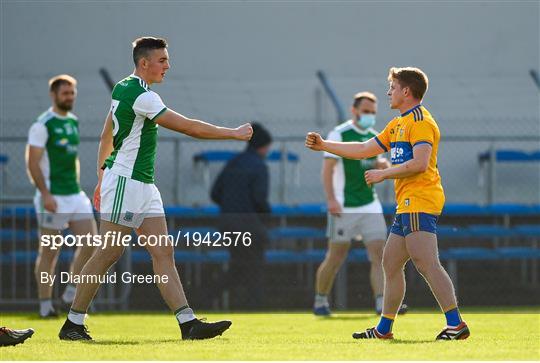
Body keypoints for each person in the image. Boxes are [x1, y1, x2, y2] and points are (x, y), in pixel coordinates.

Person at [58, 37, 253, 341]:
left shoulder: (123, 87)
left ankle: (188, 324)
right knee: (109, 251)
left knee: (163, 250)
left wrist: (100, 177)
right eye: (162, 60)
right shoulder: (142, 96)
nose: (168, 65)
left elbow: (105, 134)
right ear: (144, 62)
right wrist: (233, 133)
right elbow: (189, 127)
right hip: (126, 181)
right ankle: (72, 324)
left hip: (141, 184)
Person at [305, 67, 469, 340]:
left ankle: (456, 324)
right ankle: (383, 330)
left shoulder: (421, 121)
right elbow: (363, 149)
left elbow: (419, 163)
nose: (388, 92)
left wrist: (383, 173)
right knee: (391, 262)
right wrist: (325, 146)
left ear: (406, 91)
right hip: (406, 202)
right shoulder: (398, 123)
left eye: (392, 87)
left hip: (420, 199)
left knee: (426, 262)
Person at [313, 92, 407, 316]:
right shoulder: (339, 133)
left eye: (373, 113)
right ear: (354, 111)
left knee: (379, 254)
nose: (370, 116)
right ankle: (320, 300)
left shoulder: (375, 136)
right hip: (344, 206)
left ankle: (381, 303)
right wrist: (331, 199)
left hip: (369, 206)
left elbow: (374, 162)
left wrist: (382, 164)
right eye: (366, 112)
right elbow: (327, 170)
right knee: (335, 256)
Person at [26, 75, 97, 318]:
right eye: (65, 93)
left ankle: (71, 291)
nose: (70, 97)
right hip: (52, 197)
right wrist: (45, 194)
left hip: (74, 194)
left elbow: (72, 158)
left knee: (91, 243)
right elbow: (32, 162)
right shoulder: (42, 124)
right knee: (50, 252)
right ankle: (45, 305)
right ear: (54, 95)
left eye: (72, 93)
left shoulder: (73, 121)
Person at [211, 123, 272, 309]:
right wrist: (266, 218)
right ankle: (254, 305)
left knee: (238, 265)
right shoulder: (259, 166)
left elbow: (215, 193)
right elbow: (259, 199)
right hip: (250, 225)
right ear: (262, 145)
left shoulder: (233, 162)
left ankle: (208, 296)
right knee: (253, 268)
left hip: (227, 223)